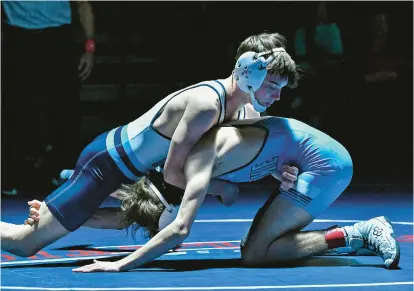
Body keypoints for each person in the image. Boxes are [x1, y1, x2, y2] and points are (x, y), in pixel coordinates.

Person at [0, 32, 300, 256]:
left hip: (136, 170)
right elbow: (172, 174)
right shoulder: (206, 104)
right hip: (104, 164)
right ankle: (64, 202)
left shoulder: (245, 110)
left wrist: (276, 171)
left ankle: (61, 205)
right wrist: (222, 188)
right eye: (273, 86)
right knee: (24, 243)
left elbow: (247, 159)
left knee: (140, 218)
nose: (276, 97)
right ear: (248, 72)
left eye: (281, 89)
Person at [23, 116, 399, 272]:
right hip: (305, 155)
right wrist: (55, 213)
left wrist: (121, 264)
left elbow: (181, 227)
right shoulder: (184, 163)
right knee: (253, 240)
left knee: (257, 253)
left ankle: (359, 233)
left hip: (325, 165)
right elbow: (231, 188)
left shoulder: (196, 164)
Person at [2, 1, 95, 194]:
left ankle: (67, 173)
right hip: (18, 38)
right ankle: (16, 176)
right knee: (17, 110)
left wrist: (89, 48)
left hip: (58, 38)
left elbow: (82, 5)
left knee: (65, 108)